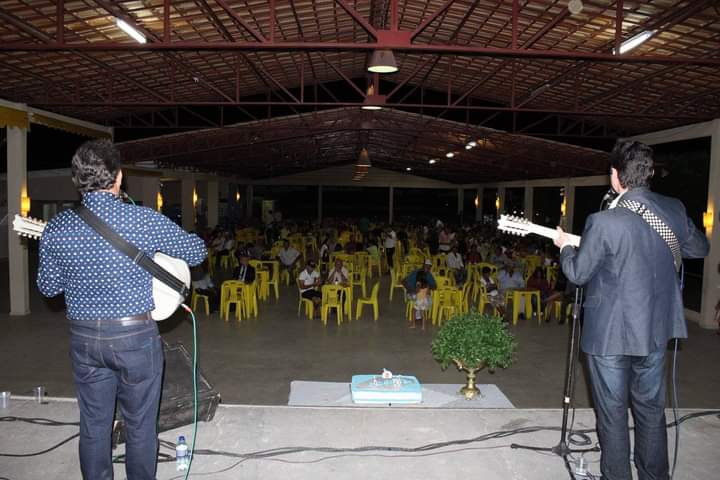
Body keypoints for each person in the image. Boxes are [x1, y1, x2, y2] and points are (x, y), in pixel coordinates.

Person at [37, 139, 207, 480]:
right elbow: (197, 251)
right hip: (135, 338)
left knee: (94, 425)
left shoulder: (57, 228)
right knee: (141, 424)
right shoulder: (142, 220)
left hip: (85, 338)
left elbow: (49, 287)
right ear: (117, 177)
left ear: (77, 180)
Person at [554, 140, 709, 480]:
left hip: (609, 336)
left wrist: (565, 247)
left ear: (615, 177)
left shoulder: (603, 221)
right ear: (649, 173)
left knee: (612, 414)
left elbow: (579, 273)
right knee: (651, 410)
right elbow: (699, 247)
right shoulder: (673, 208)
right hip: (655, 331)